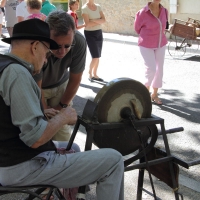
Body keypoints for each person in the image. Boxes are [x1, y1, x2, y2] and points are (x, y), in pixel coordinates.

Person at [0, 18, 124, 200]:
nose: (45, 60)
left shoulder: (4, 64)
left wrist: (42, 114)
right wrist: (63, 117)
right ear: (35, 46)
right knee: (113, 160)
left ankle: (72, 196)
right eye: (46, 51)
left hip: (9, 158)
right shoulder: (17, 74)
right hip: (20, 166)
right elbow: (35, 139)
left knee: (72, 146)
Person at [34, 10, 87, 141]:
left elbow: (75, 79)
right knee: (39, 129)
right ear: (46, 36)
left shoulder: (79, 42)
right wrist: (45, 110)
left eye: (67, 45)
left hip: (61, 84)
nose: (62, 51)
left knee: (62, 133)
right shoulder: (38, 43)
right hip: (38, 87)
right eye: (56, 46)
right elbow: (36, 83)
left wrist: (61, 108)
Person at [134, 0, 168, 105]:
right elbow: (137, 29)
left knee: (159, 69)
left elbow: (165, 25)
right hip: (146, 44)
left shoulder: (164, 11)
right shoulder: (142, 12)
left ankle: (155, 94)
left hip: (160, 43)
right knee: (151, 68)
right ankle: (145, 92)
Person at [82, 0, 106, 82]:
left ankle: (95, 74)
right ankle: (90, 74)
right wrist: (98, 21)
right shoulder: (84, 8)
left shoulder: (98, 6)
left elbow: (104, 20)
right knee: (95, 55)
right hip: (89, 33)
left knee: (98, 55)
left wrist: (93, 21)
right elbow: (87, 24)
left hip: (98, 32)